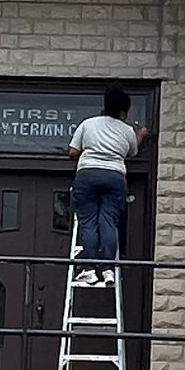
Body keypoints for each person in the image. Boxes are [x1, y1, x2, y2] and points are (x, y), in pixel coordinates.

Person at [66, 86, 143, 283]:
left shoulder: (88, 124)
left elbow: (73, 152)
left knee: (89, 222)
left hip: (88, 175)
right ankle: (108, 269)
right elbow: (132, 152)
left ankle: (89, 269)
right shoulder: (126, 130)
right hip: (115, 176)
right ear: (124, 111)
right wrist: (141, 135)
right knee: (108, 222)